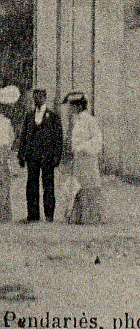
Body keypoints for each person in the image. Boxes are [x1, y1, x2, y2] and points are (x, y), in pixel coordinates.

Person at [17, 88, 64, 223]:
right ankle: (33, 215)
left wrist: (56, 156)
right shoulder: (29, 116)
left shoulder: (53, 116)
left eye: (39, 97)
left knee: (48, 185)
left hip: (47, 157)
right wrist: (21, 155)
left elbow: (58, 138)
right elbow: (23, 137)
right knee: (31, 185)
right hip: (32, 157)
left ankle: (49, 215)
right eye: (35, 97)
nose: (36, 99)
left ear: (44, 97)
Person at [64, 93, 103, 225]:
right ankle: (78, 216)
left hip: (88, 159)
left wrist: (83, 147)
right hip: (79, 159)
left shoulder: (90, 120)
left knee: (89, 186)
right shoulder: (77, 121)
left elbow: (97, 140)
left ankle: (90, 217)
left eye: (72, 106)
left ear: (80, 106)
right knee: (77, 186)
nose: (70, 109)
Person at [0, 84, 18, 222]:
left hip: (4, 156)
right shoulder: (4, 122)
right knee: (4, 184)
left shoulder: (7, 122)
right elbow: (5, 144)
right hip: (2, 157)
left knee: (5, 184)